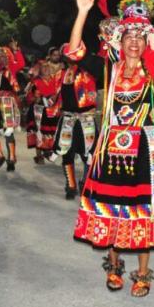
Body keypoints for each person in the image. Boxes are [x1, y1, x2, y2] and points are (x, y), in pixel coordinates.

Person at [69, 0, 154, 297]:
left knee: (146, 210)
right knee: (113, 206)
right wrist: (81, 14)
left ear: (146, 41)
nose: (134, 42)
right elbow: (75, 52)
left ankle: (142, 273)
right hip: (112, 148)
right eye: (129, 36)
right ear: (119, 40)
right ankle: (114, 265)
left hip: (147, 150)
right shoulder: (108, 68)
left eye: (140, 36)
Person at [53, 45, 100, 199]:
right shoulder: (61, 74)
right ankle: (71, 185)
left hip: (86, 118)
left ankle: (85, 183)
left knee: (90, 154)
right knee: (67, 153)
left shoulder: (90, 71)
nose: (69, 57)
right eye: (66, 54)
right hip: (68, 118)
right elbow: (59, 96)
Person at [0, 40, 25, 171]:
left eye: (3, 56)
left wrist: (16, 50)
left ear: (8, 58)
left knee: (8, 131)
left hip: (7, 103)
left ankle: (12, 158)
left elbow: (21, 63)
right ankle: (0, 156)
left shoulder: (11, 69)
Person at [25, 60, 63, 164]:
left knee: (51, 132)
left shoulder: (56, 81)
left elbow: (60, 95)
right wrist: (34, 98)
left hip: (52, 110)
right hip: (38, 110)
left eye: (48, 67)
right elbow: (28, 96)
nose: (46, 69)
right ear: (40, 69)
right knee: (38, 131)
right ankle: (39, 155)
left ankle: (48, 150)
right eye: (44, 67)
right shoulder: (34, 81)